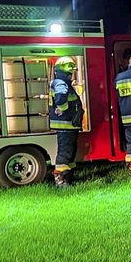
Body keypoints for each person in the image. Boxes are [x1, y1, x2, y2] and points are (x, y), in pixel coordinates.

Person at [49, 56, 84, 187]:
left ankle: (68, 178)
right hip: (65, 123)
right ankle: (61, 181)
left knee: (70, 152)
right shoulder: (60, 83)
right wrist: (65, 110)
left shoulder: (61, 82)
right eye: (71, 71)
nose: (72, 74)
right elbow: (60, 99)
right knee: (65, 153)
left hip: (68, 124)